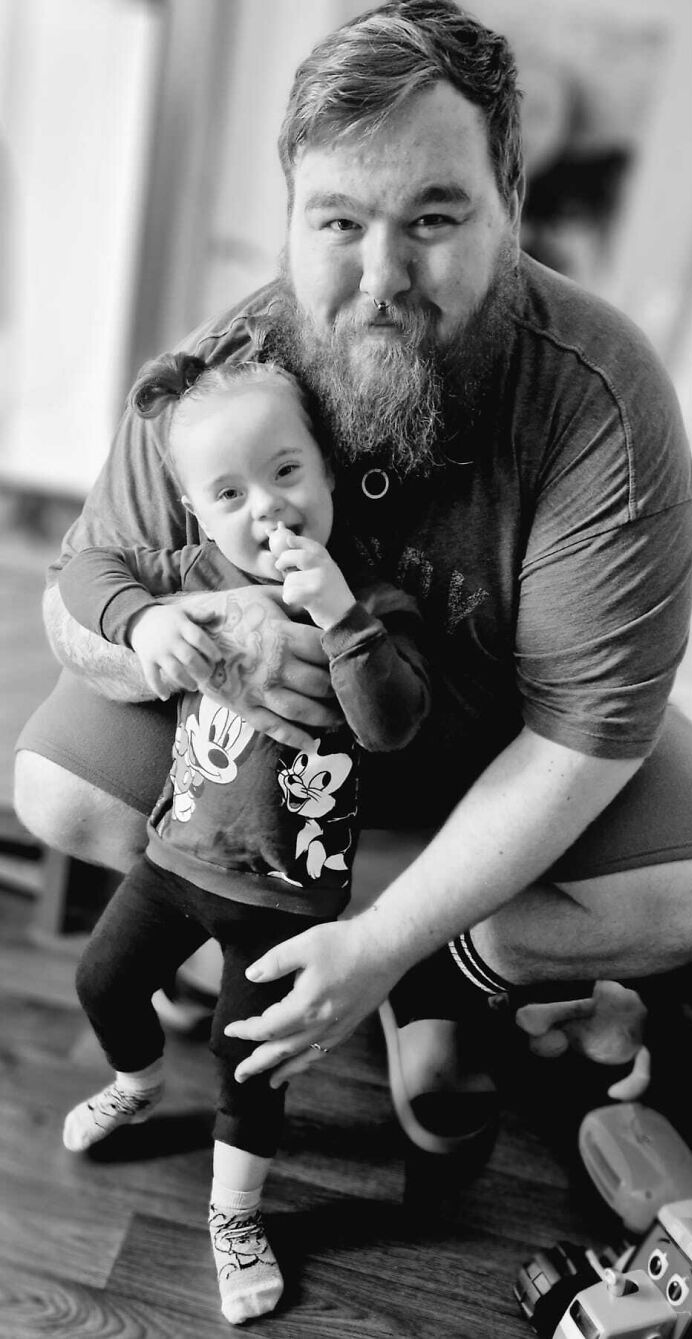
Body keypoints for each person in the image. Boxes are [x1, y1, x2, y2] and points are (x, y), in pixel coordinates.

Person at [15, 0, 692, 1166]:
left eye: (433, 217)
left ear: (509, 205)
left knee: (683, 898)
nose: (382, 277)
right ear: (290, 212)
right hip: (273, 768)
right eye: (339, 221)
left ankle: (436, 974)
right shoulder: (219, 377)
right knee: (56, 789)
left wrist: (385, 946)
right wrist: (176, 630)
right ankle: (249, 929)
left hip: (493, 748)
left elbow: (580, 739)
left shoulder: (601, 399)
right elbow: (71, 599)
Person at [57, 353, 430, 1325]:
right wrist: (144, 623)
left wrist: (339, 613)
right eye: (228, 493)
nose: (265, 506)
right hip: (174, 861)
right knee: (102, 980)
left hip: (286, 898)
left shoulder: (376, 604)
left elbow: (392, 722)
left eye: (286, 471)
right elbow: (87, 566)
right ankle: (136, 1081)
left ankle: (236, 1215)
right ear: (196, 510)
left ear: (328, 472)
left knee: (248, 1061)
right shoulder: (195, 577)